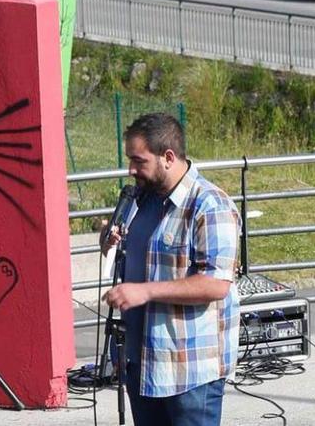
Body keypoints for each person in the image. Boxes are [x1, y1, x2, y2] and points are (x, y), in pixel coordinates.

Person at [102, 112, 240, 426]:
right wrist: (108, 236)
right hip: (141, 359)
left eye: (139, 161)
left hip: (188, 369)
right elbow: (124, 248)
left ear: (168, 157)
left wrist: (144, 292)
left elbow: (216, 284)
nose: (131, 170)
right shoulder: (139, 198)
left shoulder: (210, 205)